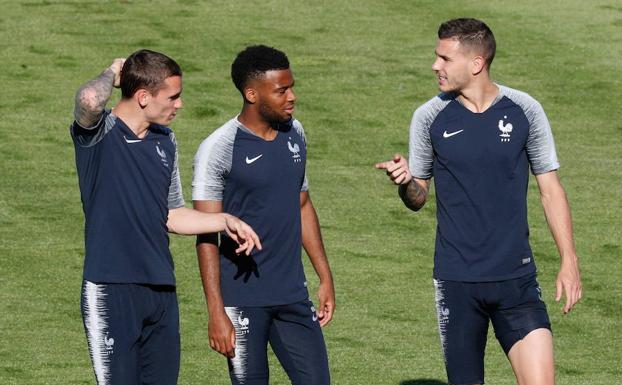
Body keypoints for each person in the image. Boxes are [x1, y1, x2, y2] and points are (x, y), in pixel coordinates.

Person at [375, 18, 582, 385]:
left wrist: (569, 260)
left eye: (444, 58)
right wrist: (406, 183)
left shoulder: (524, 110)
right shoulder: (429, 118)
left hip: (517, 280)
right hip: (458, 282)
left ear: (476, 63)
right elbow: (418, 198)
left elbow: (550, 188)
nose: (435, 65)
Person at [71, 49, 261, 385]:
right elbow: (88, 100)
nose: (180, 104)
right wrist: (111, 71)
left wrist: (225, 220)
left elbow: (172, 214)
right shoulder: (99, 134)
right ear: (143, 97)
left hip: (160, 290)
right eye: (173, 96)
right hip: (111, 289)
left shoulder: (165, 141)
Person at [192, 45, 335, 385]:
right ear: (252, 93)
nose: (292, 97)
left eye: (291, 87)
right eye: (281, 90)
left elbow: (302, 205)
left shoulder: (295, 134)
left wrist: (324, 276)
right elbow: (205, 233)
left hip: (292, 296)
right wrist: (216, 311)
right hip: (242, 301)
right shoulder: (219, 148)